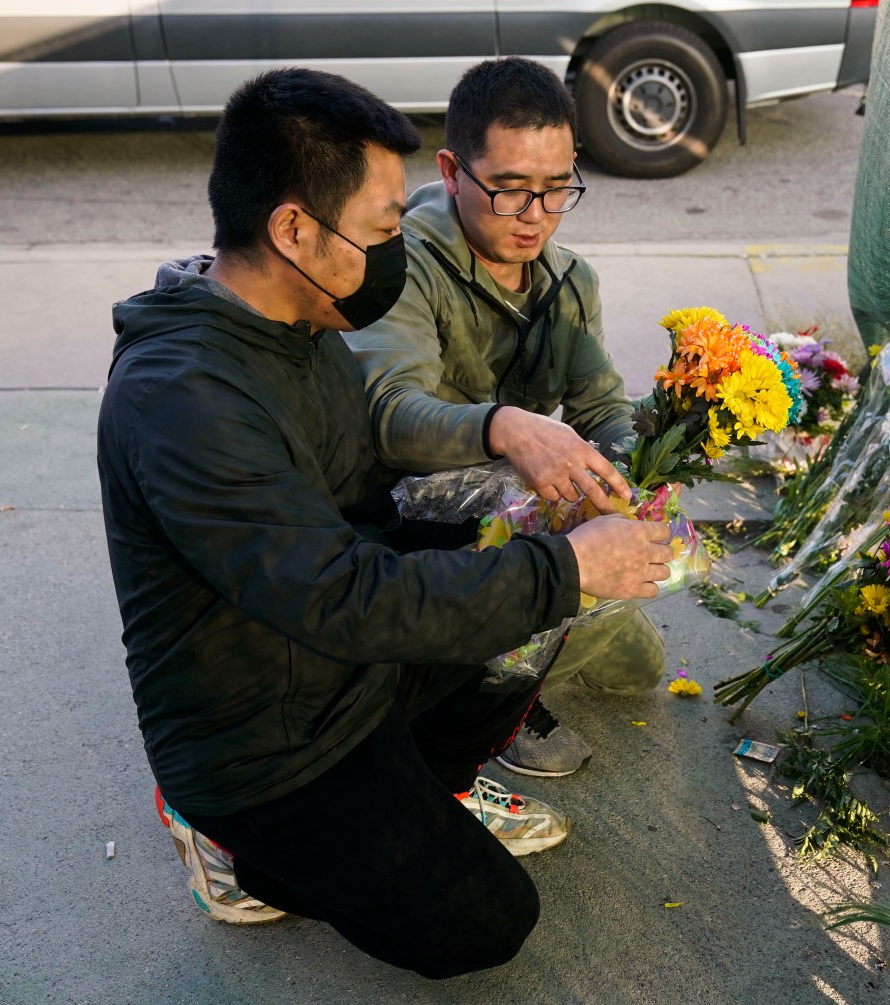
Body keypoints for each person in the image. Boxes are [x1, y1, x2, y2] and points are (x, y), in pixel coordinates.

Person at [96, 67, 672, 977]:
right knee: (488, 921)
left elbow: (369, 517)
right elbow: (345, 597)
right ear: (292, 229)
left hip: (335, 656)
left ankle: (432, 780)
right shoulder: (185, 399)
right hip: (262, 737)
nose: (401, 244)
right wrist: (564, 567)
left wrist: (545, 542)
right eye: (382, 228)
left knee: (523, 564)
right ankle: (226, 842)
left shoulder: (301, 325)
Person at [346, 57, 665, 779]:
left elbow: (603, 407)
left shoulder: (570, 279)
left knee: (636, 665)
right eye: (510, 190)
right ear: (453, 171)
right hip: (400, 524)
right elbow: (388, 415)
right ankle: (474, 713)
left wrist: (671, 436)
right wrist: (510, 427)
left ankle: (504, 665)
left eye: (556, 190)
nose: (535, 217)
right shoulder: (401, 265)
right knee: (522, 502)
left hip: (507, 512)